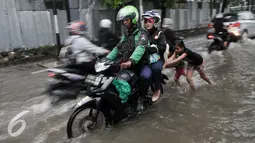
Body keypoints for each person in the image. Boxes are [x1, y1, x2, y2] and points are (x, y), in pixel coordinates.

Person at [104, 5, 149, 125]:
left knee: (138, 81)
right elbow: (117, 48)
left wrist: (131, 60)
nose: (124, 22)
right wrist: (106, 59)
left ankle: (138, 101)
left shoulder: (142, 33)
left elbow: (140, 48)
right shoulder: (126, 35)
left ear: (133, 19)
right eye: (123, 20)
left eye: (126, 20)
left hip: (138, 65)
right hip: (126, 66)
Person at [141, 10, 166, 102]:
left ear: (155, 22)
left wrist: (152, 48)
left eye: (149, 21)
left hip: (157, 59)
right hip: (145, 61)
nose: (147, 23)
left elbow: (163, 47)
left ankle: (157, 89)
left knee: (155, 69)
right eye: (145, 21)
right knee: (144, 76)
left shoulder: (160, 34)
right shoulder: (142, 34)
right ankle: (142, 92)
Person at [162, 18, 186, 87]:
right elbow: (174, 39)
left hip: (163, 52)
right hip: (169, 51)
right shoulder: (168, 30)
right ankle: (182, 81)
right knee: (180, 64)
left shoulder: (160, 30)